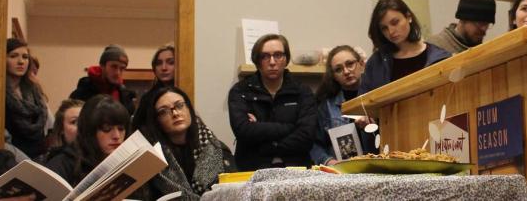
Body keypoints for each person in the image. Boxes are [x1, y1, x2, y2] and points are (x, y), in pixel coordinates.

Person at [227, 34, 317, 171]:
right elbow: (243, 131)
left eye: (278, 55)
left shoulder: (302, 91)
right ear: (257, 61)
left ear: (286, 59)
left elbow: (306, 136)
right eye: (265, 56)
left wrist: (262, 133)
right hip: (252, 170)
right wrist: (290, 127)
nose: (272, 62)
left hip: (296, 170)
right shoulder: (241, 91)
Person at [134, 86, 234, 198]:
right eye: (164, 111)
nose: (175, 113)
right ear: (156, 120)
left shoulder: (217, 148)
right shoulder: (152, 158)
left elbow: (235, 191)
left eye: (179, 105)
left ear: (189, 108)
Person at [359, 0, 450, 95]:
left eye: (395, 22)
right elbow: (363, 104)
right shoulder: (376, 62)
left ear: (408, 17)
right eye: (384, 28)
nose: (391, 31)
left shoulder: (439, 56)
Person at [44, 95, 132, 187]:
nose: (117, 136)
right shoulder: (61, 165)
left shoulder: (129, 162)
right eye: (107, 129)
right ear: (90, 131)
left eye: (121, 128)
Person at [310, 45, 376, 165]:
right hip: (344, 172)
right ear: (334, 76)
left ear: (361, 64)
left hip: (377, 166)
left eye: (350, 64)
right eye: (338, 69)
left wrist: (376, 124)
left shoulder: (377, 95)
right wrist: (328, 161)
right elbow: (314, 145)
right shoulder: (326, 105)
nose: (346, 71)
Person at [4, 39, 48, 158]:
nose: (21, 62)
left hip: (40, 155)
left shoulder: (34, 90)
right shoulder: (1, 94)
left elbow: (47, 125)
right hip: (12, 159)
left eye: (25, 57)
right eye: (13, 56)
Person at [69, 44, 137, 115]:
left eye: (122, 68)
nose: (117, 72)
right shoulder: (82, 92)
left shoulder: (125, 96)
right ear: (102, 66)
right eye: (114, 66)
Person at [428, 0, 497, 54]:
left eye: (488, 24)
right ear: (463, 19)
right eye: (480, 23)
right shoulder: (434, 47)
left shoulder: (482, 49)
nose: (484, 29)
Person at [36, 98, 84, 164]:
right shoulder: (55, 163)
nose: (83, 125)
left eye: (86, 119)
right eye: (74, 122)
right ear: (62, 129)